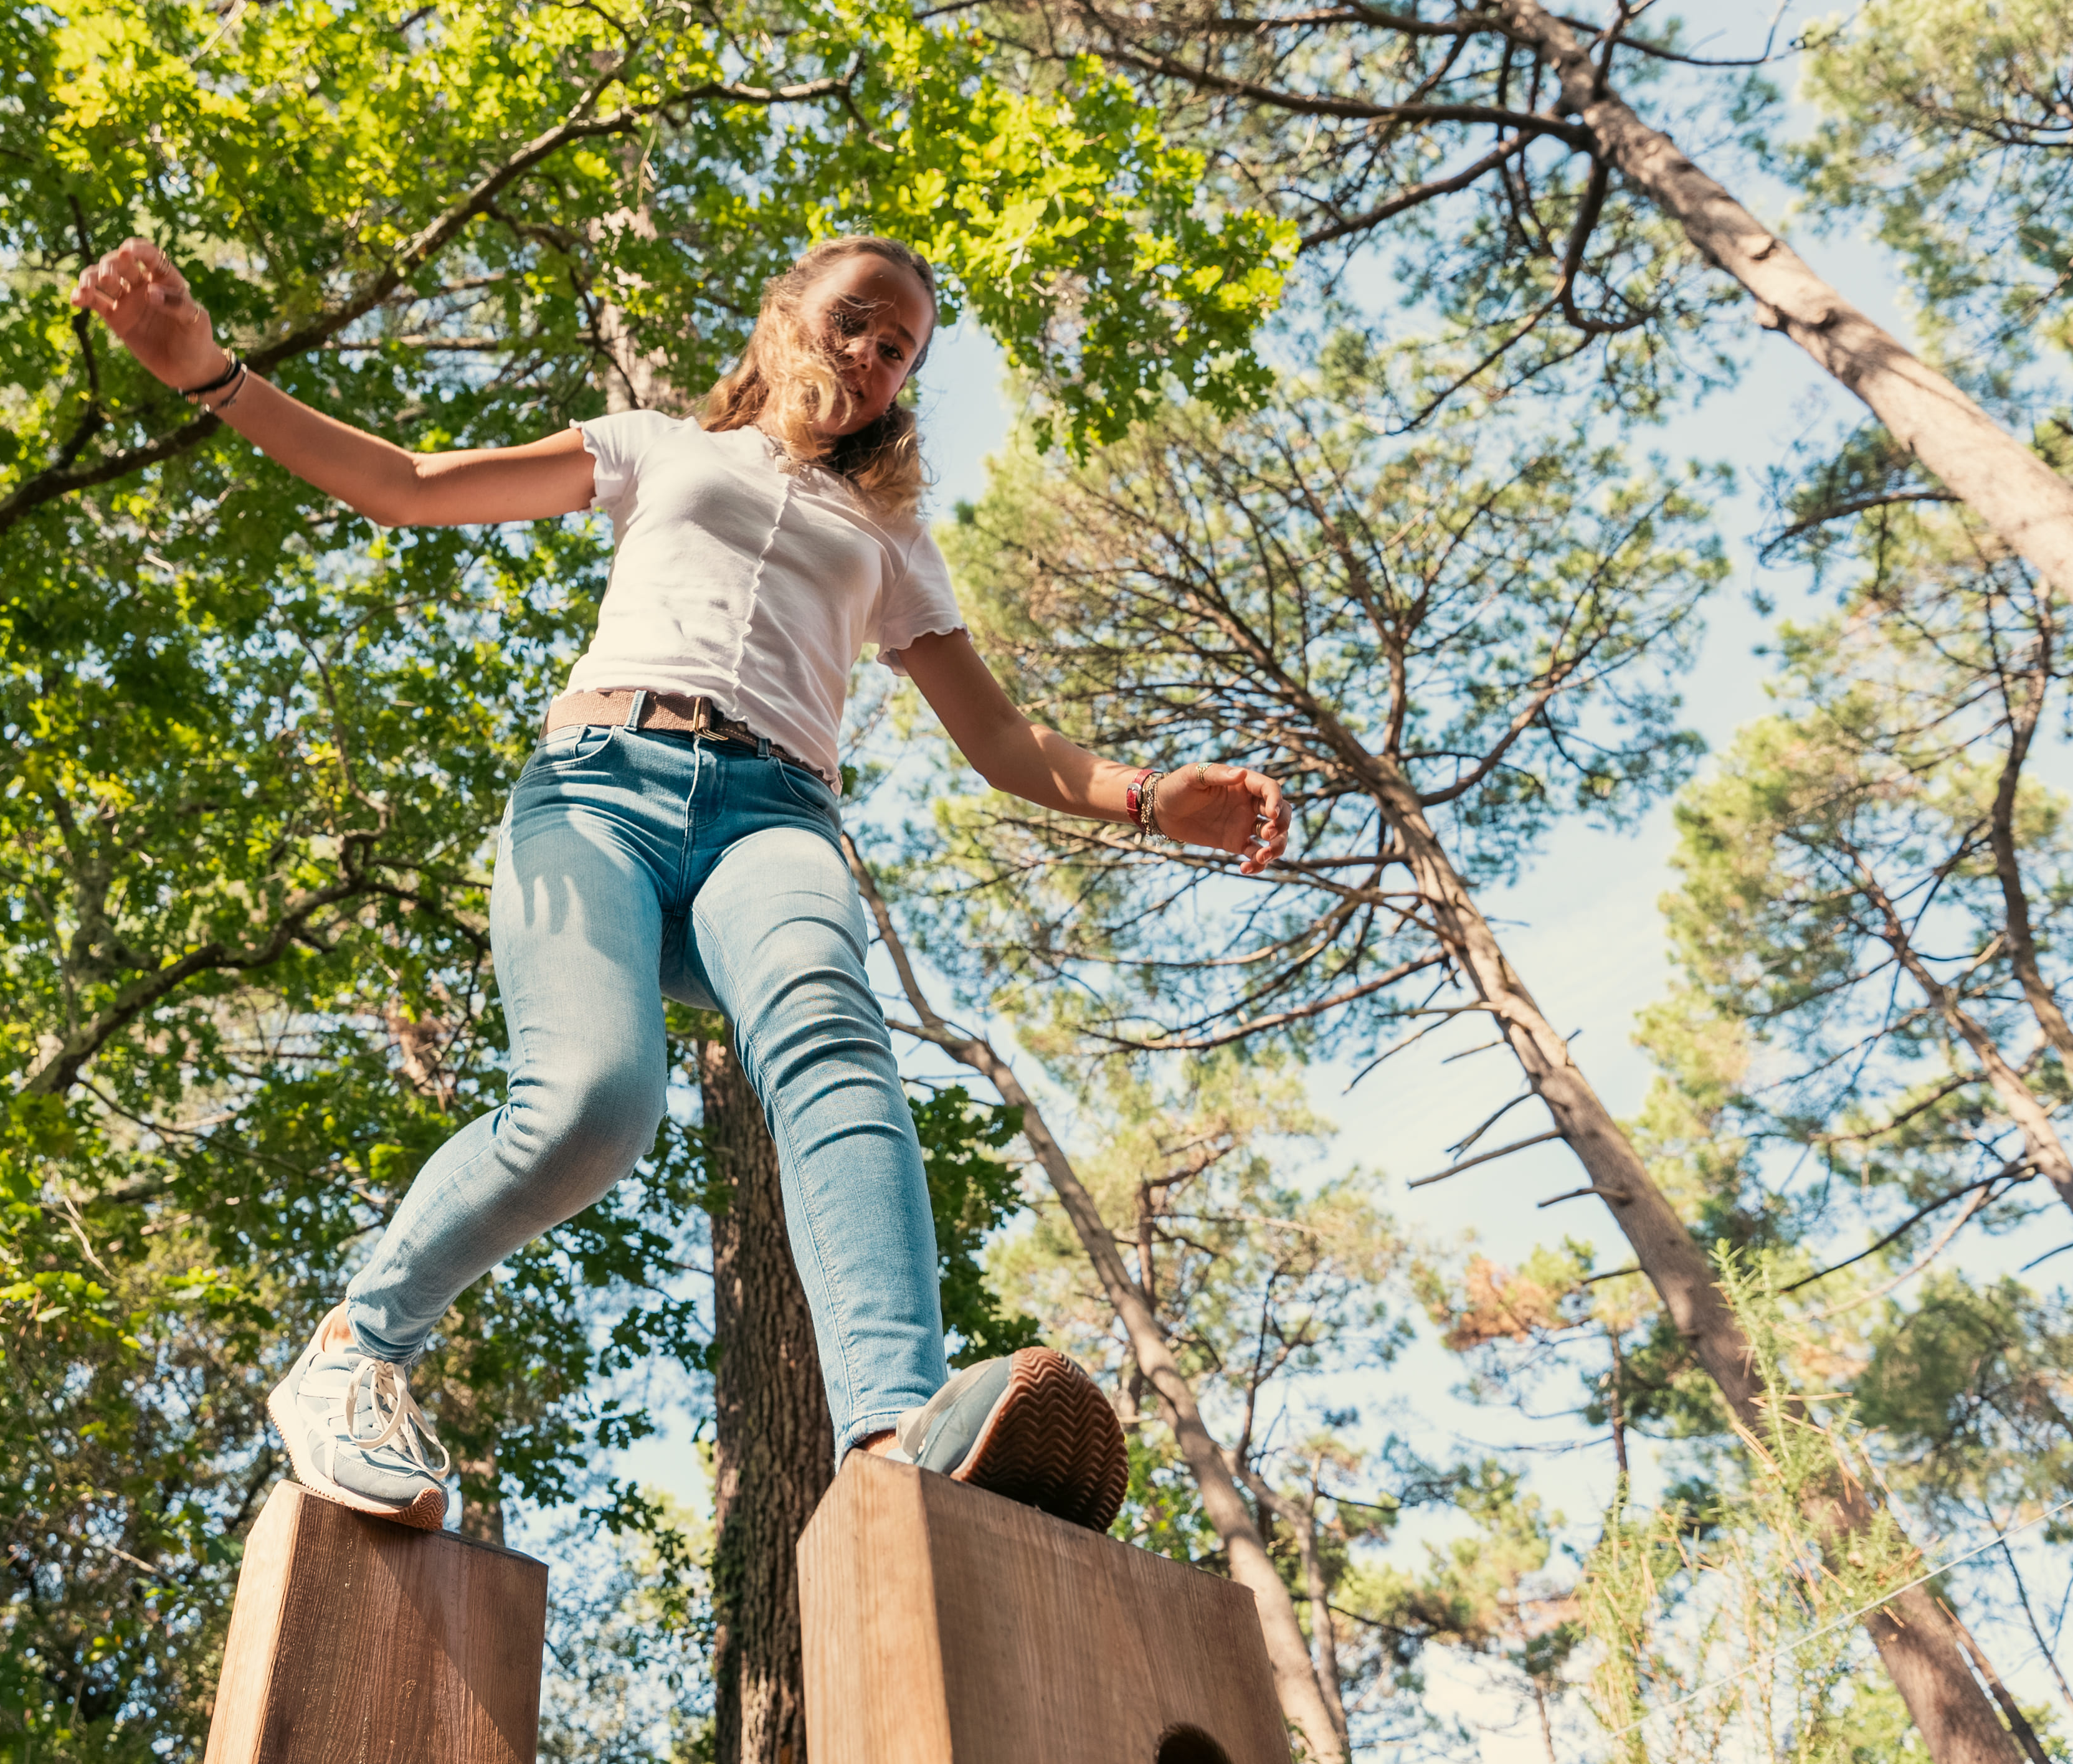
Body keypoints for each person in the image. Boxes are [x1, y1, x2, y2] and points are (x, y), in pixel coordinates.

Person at [71, 234, 1290, 1535]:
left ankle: (892, 1427)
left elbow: (999, 743)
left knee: (830, 1029)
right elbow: (407, 486)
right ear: (783, 315)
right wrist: (207, 375)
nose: (875, 357)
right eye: (857, 321)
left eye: (902, 352)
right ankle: (356, 1353)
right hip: (598, 787)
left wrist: (1154, 798)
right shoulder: (656, 445)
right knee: (594, 1105)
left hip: (774, 816)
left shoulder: (884, 535)